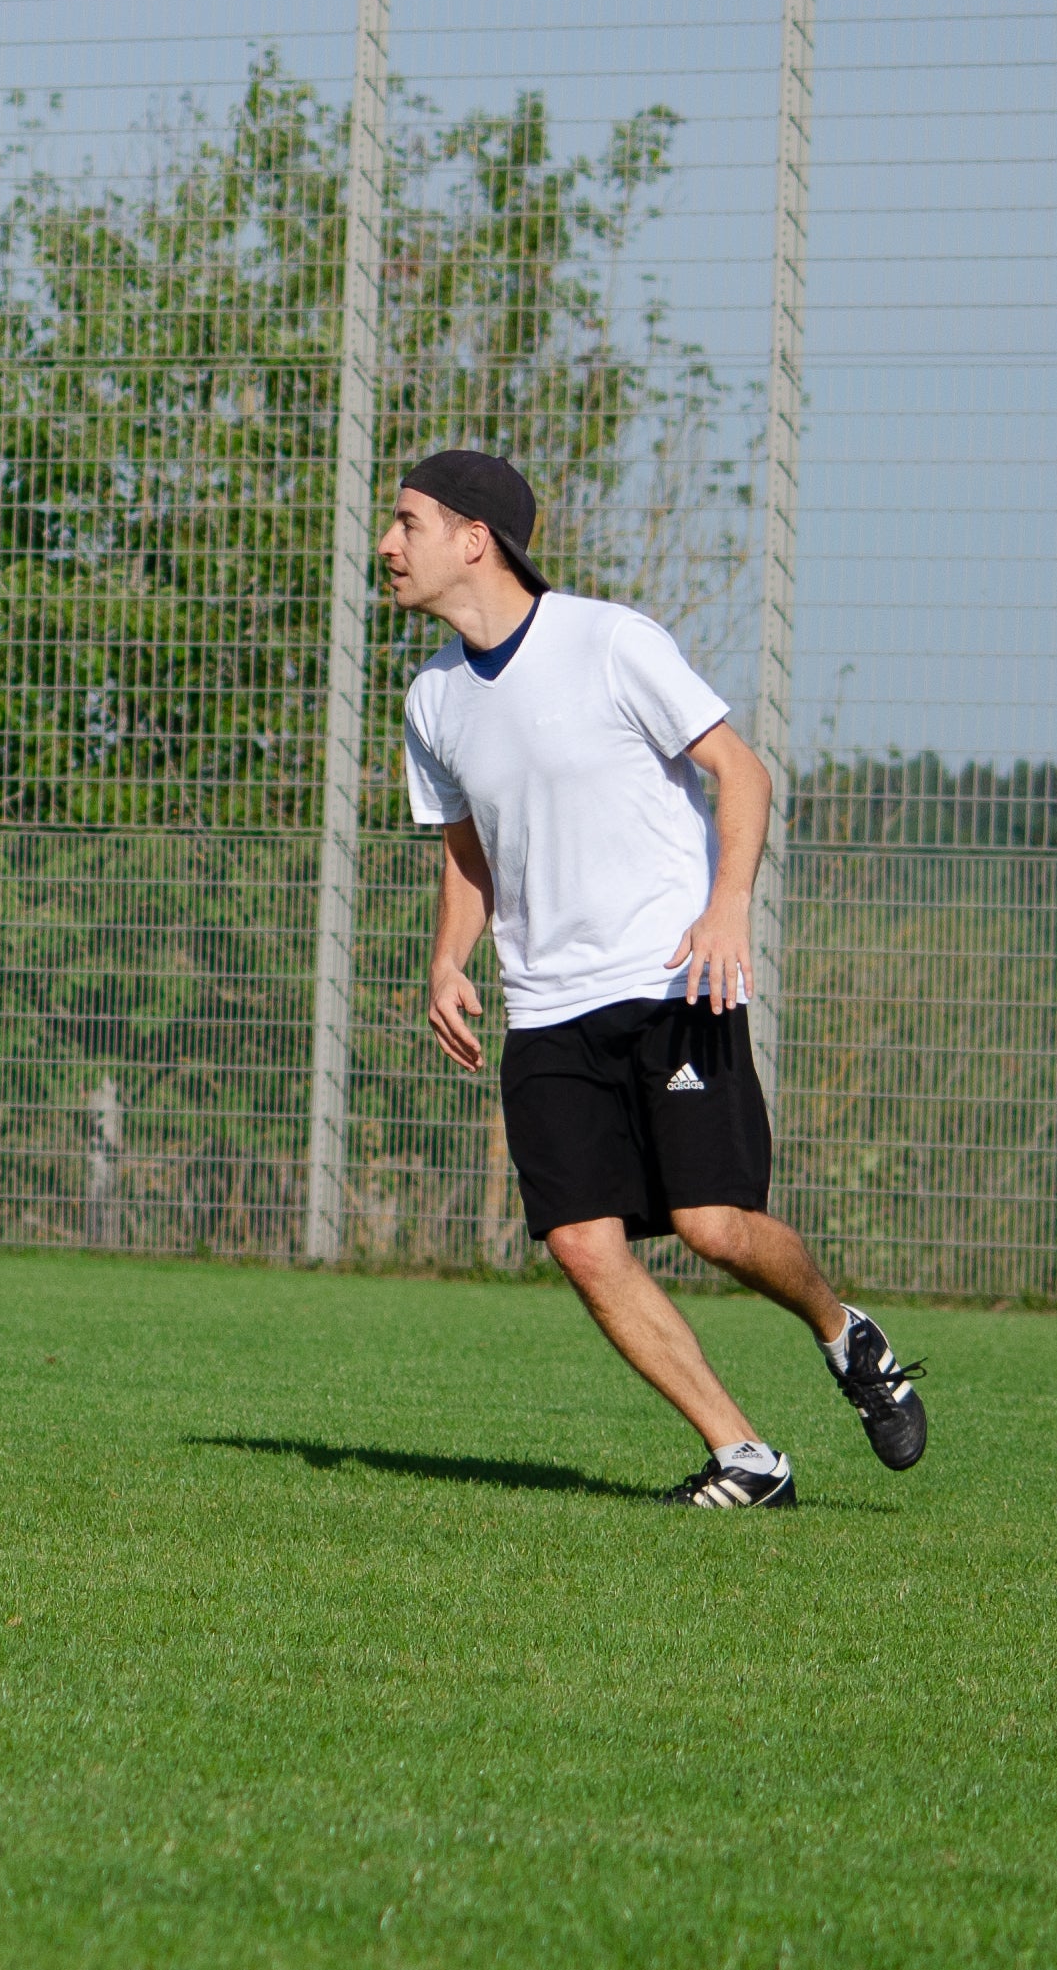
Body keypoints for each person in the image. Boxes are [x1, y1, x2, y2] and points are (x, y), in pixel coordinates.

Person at [384, 446, 926, 1504]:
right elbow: (465, 848)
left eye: (406, 523)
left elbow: (741, 771)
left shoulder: (607, 641)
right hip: (543, 1008)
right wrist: (447, 959)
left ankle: (843, 1333)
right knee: (581, 1245)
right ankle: (744, 1456)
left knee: (711, 1225)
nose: (388, 545)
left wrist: (726, 905)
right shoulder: (432, 700)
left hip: (666, 980)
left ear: (472, 538)